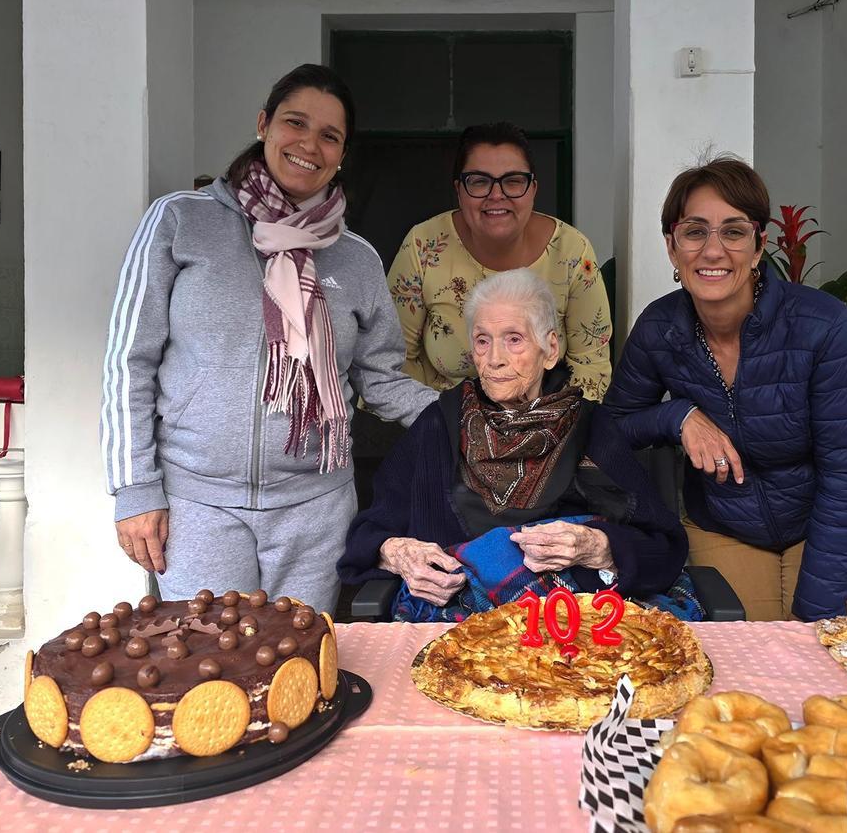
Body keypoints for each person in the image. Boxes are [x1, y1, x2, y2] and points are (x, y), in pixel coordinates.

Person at [102, 64, 436, 613]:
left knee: (302, 674)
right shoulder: (180, 221)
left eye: (330, 136)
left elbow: (380, 381)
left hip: (317, 509)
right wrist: (135, 489)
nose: (310, 145)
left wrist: (470, 416)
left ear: (343, 154)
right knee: (208, 673)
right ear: (264, 124)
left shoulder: (357, 259)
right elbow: (128, 363)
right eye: (295, 123)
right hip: (198, 504)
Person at [603, 157, 847, 622]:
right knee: (742, 668)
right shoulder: (659, 329)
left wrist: (814, 618)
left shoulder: (822, 324)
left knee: (814, 661)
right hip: (723, 525)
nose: (713, 251)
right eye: (695, 232)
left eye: (733, 232)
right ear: (672, 248)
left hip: (826, 520)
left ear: (758, 247)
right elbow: (612, 430)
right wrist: (679, 417)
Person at [338, 269, 700, 621]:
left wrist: (598, 547)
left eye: (514, 339)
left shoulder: (590, 426)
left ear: (550, 348)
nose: (494, 358)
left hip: (574, 625)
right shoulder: (439, 423)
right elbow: (370, 533)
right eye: (483, 340)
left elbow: (663, 545)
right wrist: (399, 553)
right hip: (461, 629)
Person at [387, 122, 614, 402]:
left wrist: (558, 431)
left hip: (546, 426)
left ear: (533, 189)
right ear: (459, 190)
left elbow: (591, 365)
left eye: (513, 180)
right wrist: (438, 425)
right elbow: (394, 359)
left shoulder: (572, 253)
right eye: (479, 181)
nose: (497, 195)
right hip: (442, 421)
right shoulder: (423, 247)